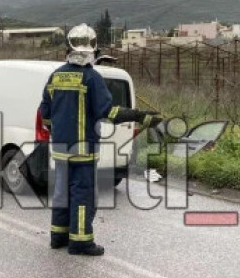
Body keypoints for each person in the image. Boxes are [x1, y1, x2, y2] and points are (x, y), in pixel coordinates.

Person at [39, 24, 161, 256]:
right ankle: (81, 242)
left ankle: (58, 237)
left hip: (61, 149)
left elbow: (45, 113)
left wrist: (58, 133)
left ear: (69, 47)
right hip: (83, 150)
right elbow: (109, 112)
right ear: (93, 49)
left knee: (62, 192)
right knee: (82, 195)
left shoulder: (56, 76)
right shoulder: (91, 78)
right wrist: (139, 117)